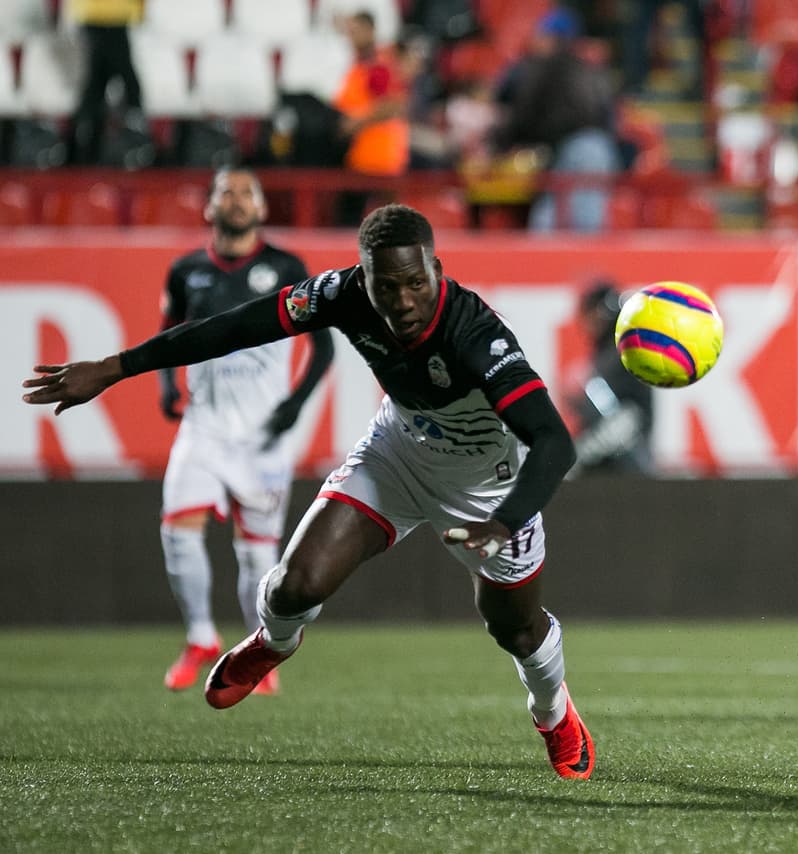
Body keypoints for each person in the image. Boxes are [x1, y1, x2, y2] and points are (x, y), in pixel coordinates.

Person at [22, 204, 595, 781]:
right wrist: (117, 367)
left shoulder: (476, 335)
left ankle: (552, 712)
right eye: (386, 287)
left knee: (515, 629)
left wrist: (504, 521)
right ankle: (273, 642)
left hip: (487, 488)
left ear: (436, 271)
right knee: (293, 587)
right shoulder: (340, 294)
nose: (403, 301)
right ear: (364, 278)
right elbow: (234, 328)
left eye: (416, 284)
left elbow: (553, 441)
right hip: (397, 454)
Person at [156, 167, 334, 695]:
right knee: (177, 528)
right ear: (209, 207)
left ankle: (257, 651)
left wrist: (296, 404)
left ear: (262, 208)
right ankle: (199, 636)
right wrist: (166, 385)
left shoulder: (286, 267)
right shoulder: (186, 271)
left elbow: (323, 346)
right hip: (203, 426)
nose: (235, 201)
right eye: (225, 193)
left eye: (245, 193)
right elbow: (167, 334)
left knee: (257, 552)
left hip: (263, 436)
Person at [491, 7, 621, 233]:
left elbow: (527, 112)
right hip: (595, 147)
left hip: (578, 150)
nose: (535, 40)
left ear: (554, 38)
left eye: (542, 34)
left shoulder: (547, 67)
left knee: (572, 225)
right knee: (568, 220)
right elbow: (608, 114)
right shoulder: (586, 67)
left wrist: (502, 144)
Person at [569, 282, 654, 475]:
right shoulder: (615, 353)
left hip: (621, 465)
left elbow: (625, 421)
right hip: (623, 462)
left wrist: (577, 456)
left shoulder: (618, 356)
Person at [333, 10, 410, 222]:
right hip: (361, 154)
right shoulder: (360, 65)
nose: (352, 36)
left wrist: (355, 123)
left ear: (370, 31)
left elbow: (394, 104)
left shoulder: (378, 66)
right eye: (350, 31)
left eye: (356, 31)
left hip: (377, 155)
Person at [67, 0, 144, 165]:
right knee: (121, 80)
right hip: (109, 13)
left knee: (98, 81)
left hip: (100, 13)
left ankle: (85, 141)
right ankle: (87, 141)